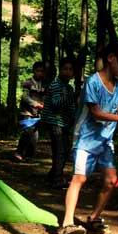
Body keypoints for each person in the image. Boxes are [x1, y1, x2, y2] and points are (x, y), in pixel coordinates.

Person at [55, 43, 118, 234]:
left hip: (105, 142)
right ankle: (67, 224)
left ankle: (94, 218)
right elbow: (96, 113)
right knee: (79, 179)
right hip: (85, 139)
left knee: (111, 181)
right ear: (111, 58)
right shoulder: (92, 82)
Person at [40, 57, 76, 189]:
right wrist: (67, 96)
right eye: (65, 69)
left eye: (70, 69)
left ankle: (52, 176)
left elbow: (71, 106)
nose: (67, 72)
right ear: (59, 70)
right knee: (60, 151)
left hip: (64, 124)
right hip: (55, 123)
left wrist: (73, 118)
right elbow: (55, 104)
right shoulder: (56, 85)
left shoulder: (69, 87)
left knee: (65, 151)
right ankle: (56, 179)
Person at [13, 61, 46, 161]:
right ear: (34, 71)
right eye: (38, 71)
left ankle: (29, 155)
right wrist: (35, 104)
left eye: (42, 71)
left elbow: (45, 97)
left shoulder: (44, 84)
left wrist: (44, 104)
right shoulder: (28, 83)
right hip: (26, 112)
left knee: (35, 135)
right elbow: (25, 97)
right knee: (27, 132)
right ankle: (19, 152)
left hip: (37, 114)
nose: (39, 73)